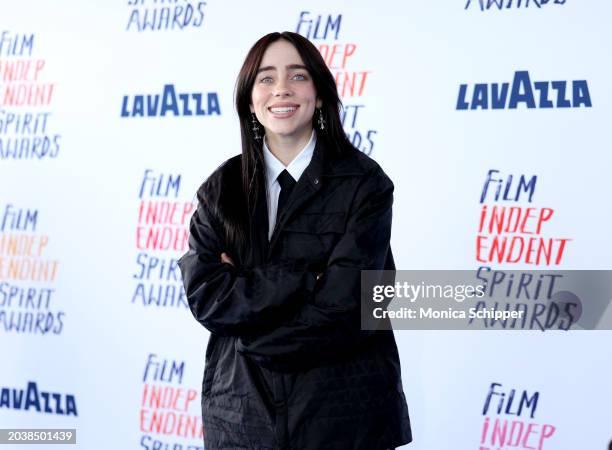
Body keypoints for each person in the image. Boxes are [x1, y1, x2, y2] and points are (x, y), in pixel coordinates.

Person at [178, 31, 412, 450]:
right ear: (250, 100)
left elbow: (349, 303)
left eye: (297, 76)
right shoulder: (220, 189)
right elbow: (207, 294)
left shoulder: (365, 184)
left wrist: (251, 331)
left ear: (320, 94)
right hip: (242, 420)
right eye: (265, 78)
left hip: (343, 420)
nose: (281, 89)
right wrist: (308, 277)